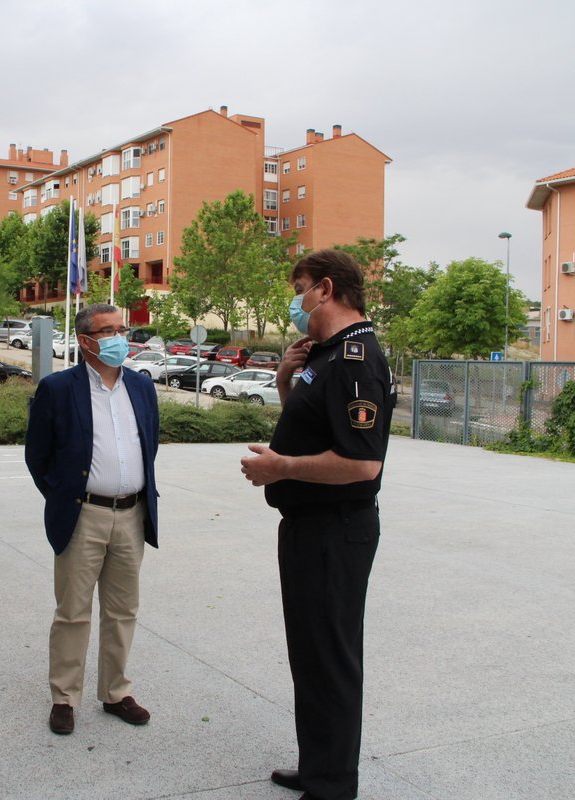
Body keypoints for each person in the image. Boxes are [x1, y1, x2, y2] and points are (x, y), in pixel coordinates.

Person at [240, 249, 394, 800]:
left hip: (336, 529)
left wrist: (280, 467)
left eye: (300, 287)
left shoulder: (355, 359)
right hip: (308, 525)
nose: (296, 300)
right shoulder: (320, 355)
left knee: (330, 658)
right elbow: (310, 423)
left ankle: (332, 786)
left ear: (326, 289)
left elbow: (361, 463)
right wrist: (285, 379)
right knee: (309, 653)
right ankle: (318, 765)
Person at [25, 303, 160, 735]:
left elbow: (149, 444)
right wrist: (66, 497)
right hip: (83, 514)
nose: (120, 337)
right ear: (85, 341)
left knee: (123, 610)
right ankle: (64, 697)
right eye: (108, 331)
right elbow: (38, 457)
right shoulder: (58, 389)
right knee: (72, 612)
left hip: (133, 513)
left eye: (122, 329)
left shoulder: (141, 387)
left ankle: (116, 692)